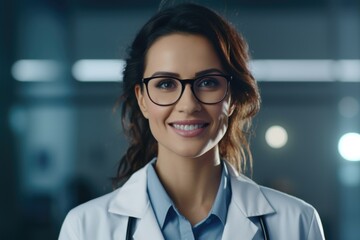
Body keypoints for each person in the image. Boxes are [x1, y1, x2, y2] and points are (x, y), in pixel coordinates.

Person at [59, 3, 325, 240]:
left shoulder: (297, 223)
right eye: (165, 84)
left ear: (231, 97)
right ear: (142, 99)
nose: (188, 104)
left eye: (208, 82)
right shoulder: (85, 228)